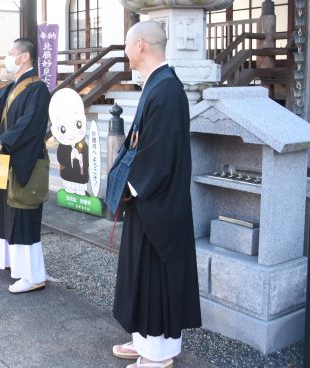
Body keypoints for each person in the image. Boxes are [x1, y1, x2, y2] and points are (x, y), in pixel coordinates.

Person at [107, 21, 201, 368]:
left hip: (158, 202)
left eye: (127, 43)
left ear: (141, 45)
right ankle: (144, 340)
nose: (126, 49)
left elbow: (160, 154)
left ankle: (159, 355)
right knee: (140, 274)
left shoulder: (167, 89)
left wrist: (129, 186)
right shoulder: (157, 84)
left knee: (155, 275)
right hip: (146, 199)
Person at [0, 38, 50, 294]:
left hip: (23, 161)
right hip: (9, 161)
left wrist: (2, 141)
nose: (8, 57)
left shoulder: (37, 88)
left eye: (11, 52)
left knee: (23, 214)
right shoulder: (14, 86)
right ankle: (12, 263)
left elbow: (29, 124)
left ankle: (33, 275)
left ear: (25, 56)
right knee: (5, 212)